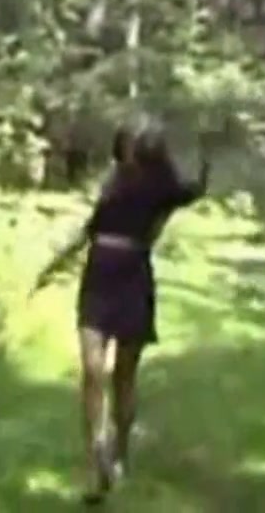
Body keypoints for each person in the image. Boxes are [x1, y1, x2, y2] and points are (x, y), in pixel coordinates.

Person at [30, 113, 211, 505]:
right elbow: (89, 230)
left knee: (124, 375)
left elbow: (195, 188)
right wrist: (53, 266)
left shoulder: (162, 188)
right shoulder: (112, 182)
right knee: (92, 369)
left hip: (132, 277)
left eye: (132, 141)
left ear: (146, 148)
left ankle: (120, 453)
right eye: (124, 141)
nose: (126, 148)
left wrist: (205, 149)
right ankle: (97, 458)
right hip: (98, 276)